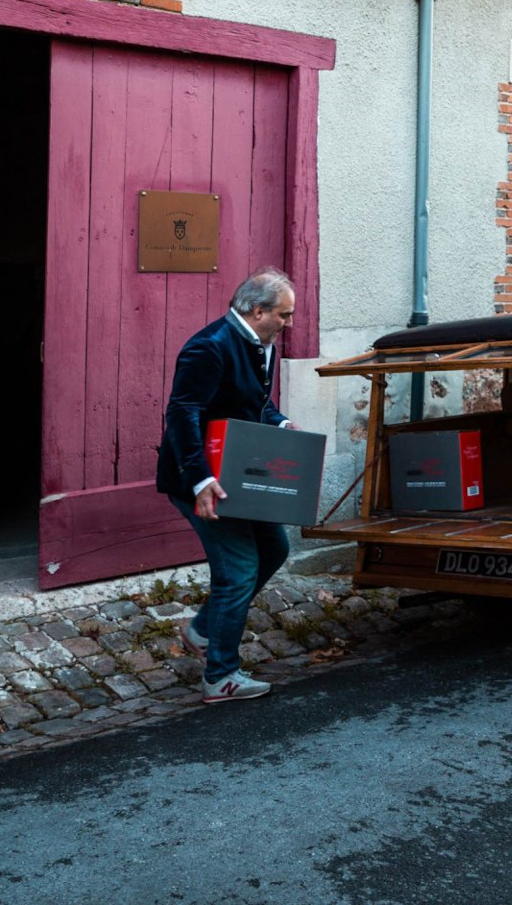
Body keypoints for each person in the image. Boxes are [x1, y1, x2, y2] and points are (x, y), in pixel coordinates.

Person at [157, 267, 298, 703]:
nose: (288, 324)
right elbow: (183, 414)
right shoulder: (209, 347)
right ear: (257, 310)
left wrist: (282, 423)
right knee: (237, 572)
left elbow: (254, 404)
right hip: (201, 480)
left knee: (275, 550)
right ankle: (220, 676)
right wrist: (200, 480)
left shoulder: (260, 344)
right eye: (283, 315)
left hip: (238, 474)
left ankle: (202, 631)